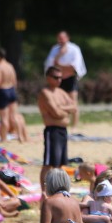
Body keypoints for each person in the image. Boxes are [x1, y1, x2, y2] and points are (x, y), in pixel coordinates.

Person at [37, 66, 77, 197]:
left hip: (62, 130)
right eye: (56, 77)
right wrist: (64, 111)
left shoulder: (61, 92)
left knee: (60, 164)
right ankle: (44, 192)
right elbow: (56, 113)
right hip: (52, 130)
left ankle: (56, 189)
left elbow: (74, 107)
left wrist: (61, 108)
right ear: (48, 78)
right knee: (49, 163)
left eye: (61, 77)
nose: (59, 80)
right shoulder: (45, 92)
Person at [44, 31, 87, 128]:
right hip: (58, 80)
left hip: (70, 79)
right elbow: (50, 66)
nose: (61, 40)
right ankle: (63, 123)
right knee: (59, 103)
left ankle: (74, 126)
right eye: (59, 38)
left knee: (73, 102)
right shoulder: (55, 49)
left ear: (67, 38)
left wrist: (58, 65)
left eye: (62, 38)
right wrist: (59, 56)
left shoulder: (74, 49)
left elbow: (73, 68)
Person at [0, 47, 27, 143]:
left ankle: (4, 138)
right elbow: (14, 81)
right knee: (14, 116)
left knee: (4, 118)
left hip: (2, 91)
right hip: (12, 90)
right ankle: (20, 136)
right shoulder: (10, 66)